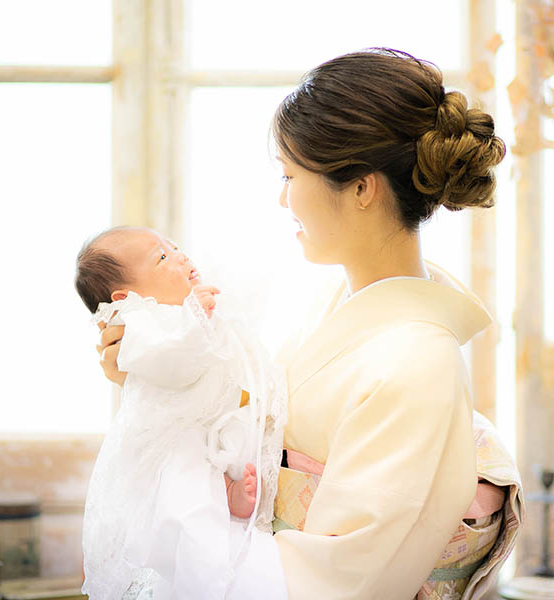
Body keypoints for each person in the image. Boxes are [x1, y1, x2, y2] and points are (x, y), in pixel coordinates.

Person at [97, 48, 507, 598]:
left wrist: (192, 546)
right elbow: (249, 414)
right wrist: (153, 375)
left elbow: (343, 578)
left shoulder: (419, 362)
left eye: (290, 174)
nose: (282, 197)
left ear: (362, 188)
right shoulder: (328, 303)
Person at [75, 227, 288, 600]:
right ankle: (203, 579)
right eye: (162, 257)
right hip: (169, 448)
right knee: (188, 507)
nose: (180, 256)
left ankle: (229, 498)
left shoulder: (178, 315)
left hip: (199, 435)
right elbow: (175, 363)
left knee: (210, 474)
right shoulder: (138, 321)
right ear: (126, 297)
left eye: (174, 248)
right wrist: (195, 317)